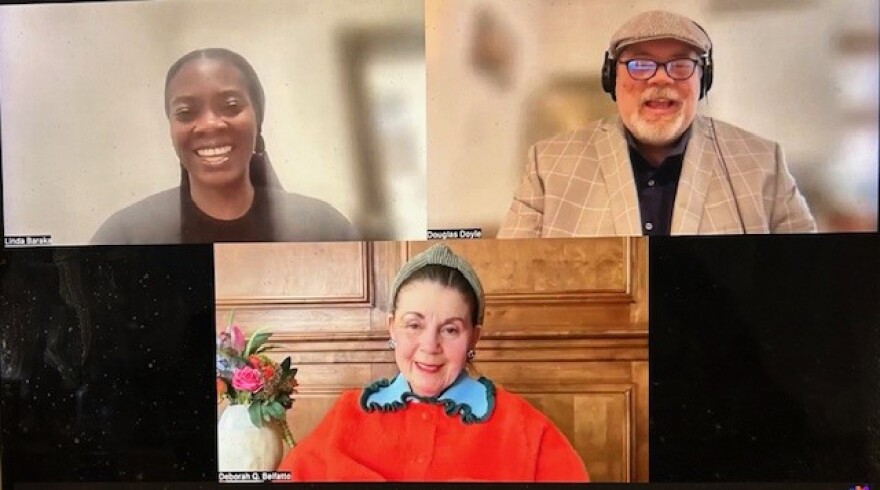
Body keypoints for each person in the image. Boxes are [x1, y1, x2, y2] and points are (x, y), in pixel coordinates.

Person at [276, 243, 589, 482]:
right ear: (392, 328)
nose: (429, 346)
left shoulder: (528, 431)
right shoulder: (348, 412)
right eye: (414, 324)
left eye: (450, 329)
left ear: (474, 338)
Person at [499, 10, 817, 237]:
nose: (661, 77)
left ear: (703, 81)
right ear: (611, 78)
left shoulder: (764, 164)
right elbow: (512, 280)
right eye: (640, 64)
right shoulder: (549, 164)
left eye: (680, 64)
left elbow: (809, 276)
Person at [91, 48, 357, 244]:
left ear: (258, 118)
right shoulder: (124, 235)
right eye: (186, 112)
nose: (209, 125)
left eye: (230, 106)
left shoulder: (326, 229)